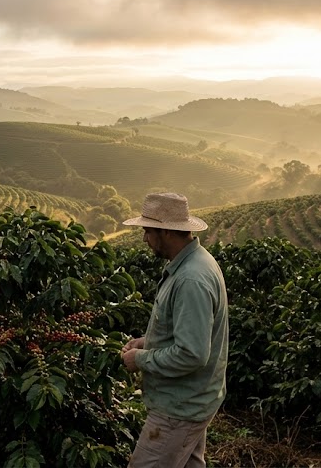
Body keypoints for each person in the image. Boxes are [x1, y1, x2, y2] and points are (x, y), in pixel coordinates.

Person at [119, 193, 229, 468]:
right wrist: (148, 342)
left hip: (179, 409)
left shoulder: (191, 279)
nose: (144, 238)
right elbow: (188, 332)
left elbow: (191, 354)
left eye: (148, 231)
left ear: (166, 231)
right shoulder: (194, 263)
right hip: (192, 399)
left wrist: (140, 359)